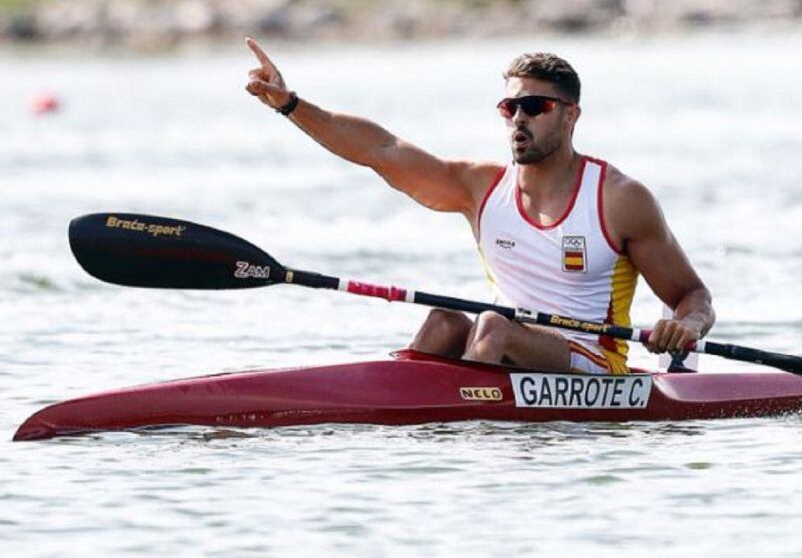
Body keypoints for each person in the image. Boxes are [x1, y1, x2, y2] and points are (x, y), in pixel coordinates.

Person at [245, 38, 714, 375]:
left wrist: (683, 326)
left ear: (571, 115)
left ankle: (466, 440)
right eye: (509, 108)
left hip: (592, 361)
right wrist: (290, 104)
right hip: (504, 344)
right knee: (443, 322)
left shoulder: (617, 198)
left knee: (493, 324)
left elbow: (693, 297)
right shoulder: (480, 188)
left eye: (535, 106)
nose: (519, 119)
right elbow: (380, 150)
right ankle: (409, 433)